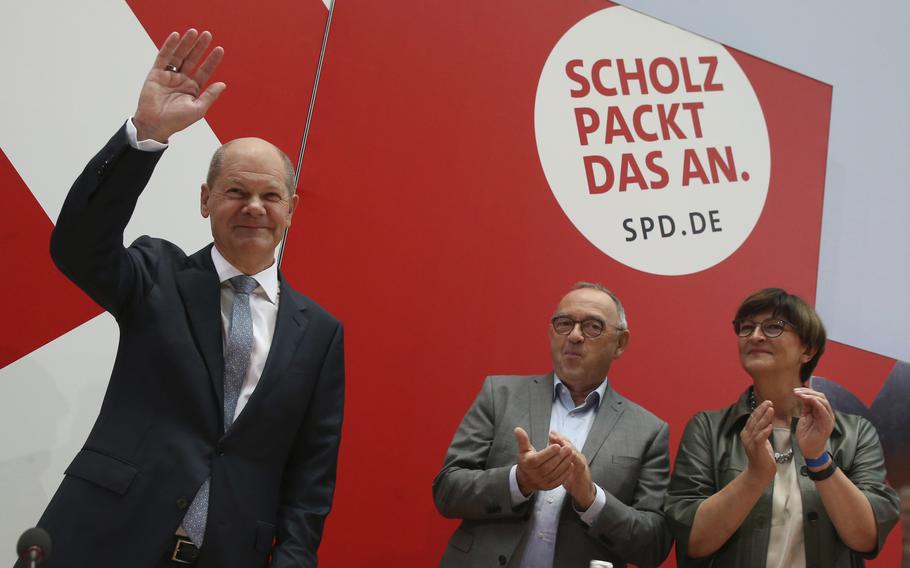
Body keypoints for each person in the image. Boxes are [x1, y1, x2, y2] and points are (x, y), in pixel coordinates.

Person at [27, 29, 344, 568]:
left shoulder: (318, 332)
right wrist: (145, 135)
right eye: (236, 192)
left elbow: (310, 477)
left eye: (270, 196)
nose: (254, 208)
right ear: (205, 200)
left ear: (290, 210)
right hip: (102, 538)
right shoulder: (158, 273)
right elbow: (78, 246)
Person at [433, 282, 672, 568]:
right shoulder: (500, 395)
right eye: (564, 323)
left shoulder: (647, 431)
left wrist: (591, 499)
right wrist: (518, 481)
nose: (574, 336)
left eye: (593, 327)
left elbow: (654, 544)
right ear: (551, 332)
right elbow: (447, 490)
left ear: (620, 343)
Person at [665, 288, 900, 567]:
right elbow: (692, 541)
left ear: (808, 349)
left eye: (773, 327)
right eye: (746, 327)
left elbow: (866, 538)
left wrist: (819, 460)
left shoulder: (855, 432)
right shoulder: (707, 428)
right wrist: (755, 476)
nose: (755, 336)